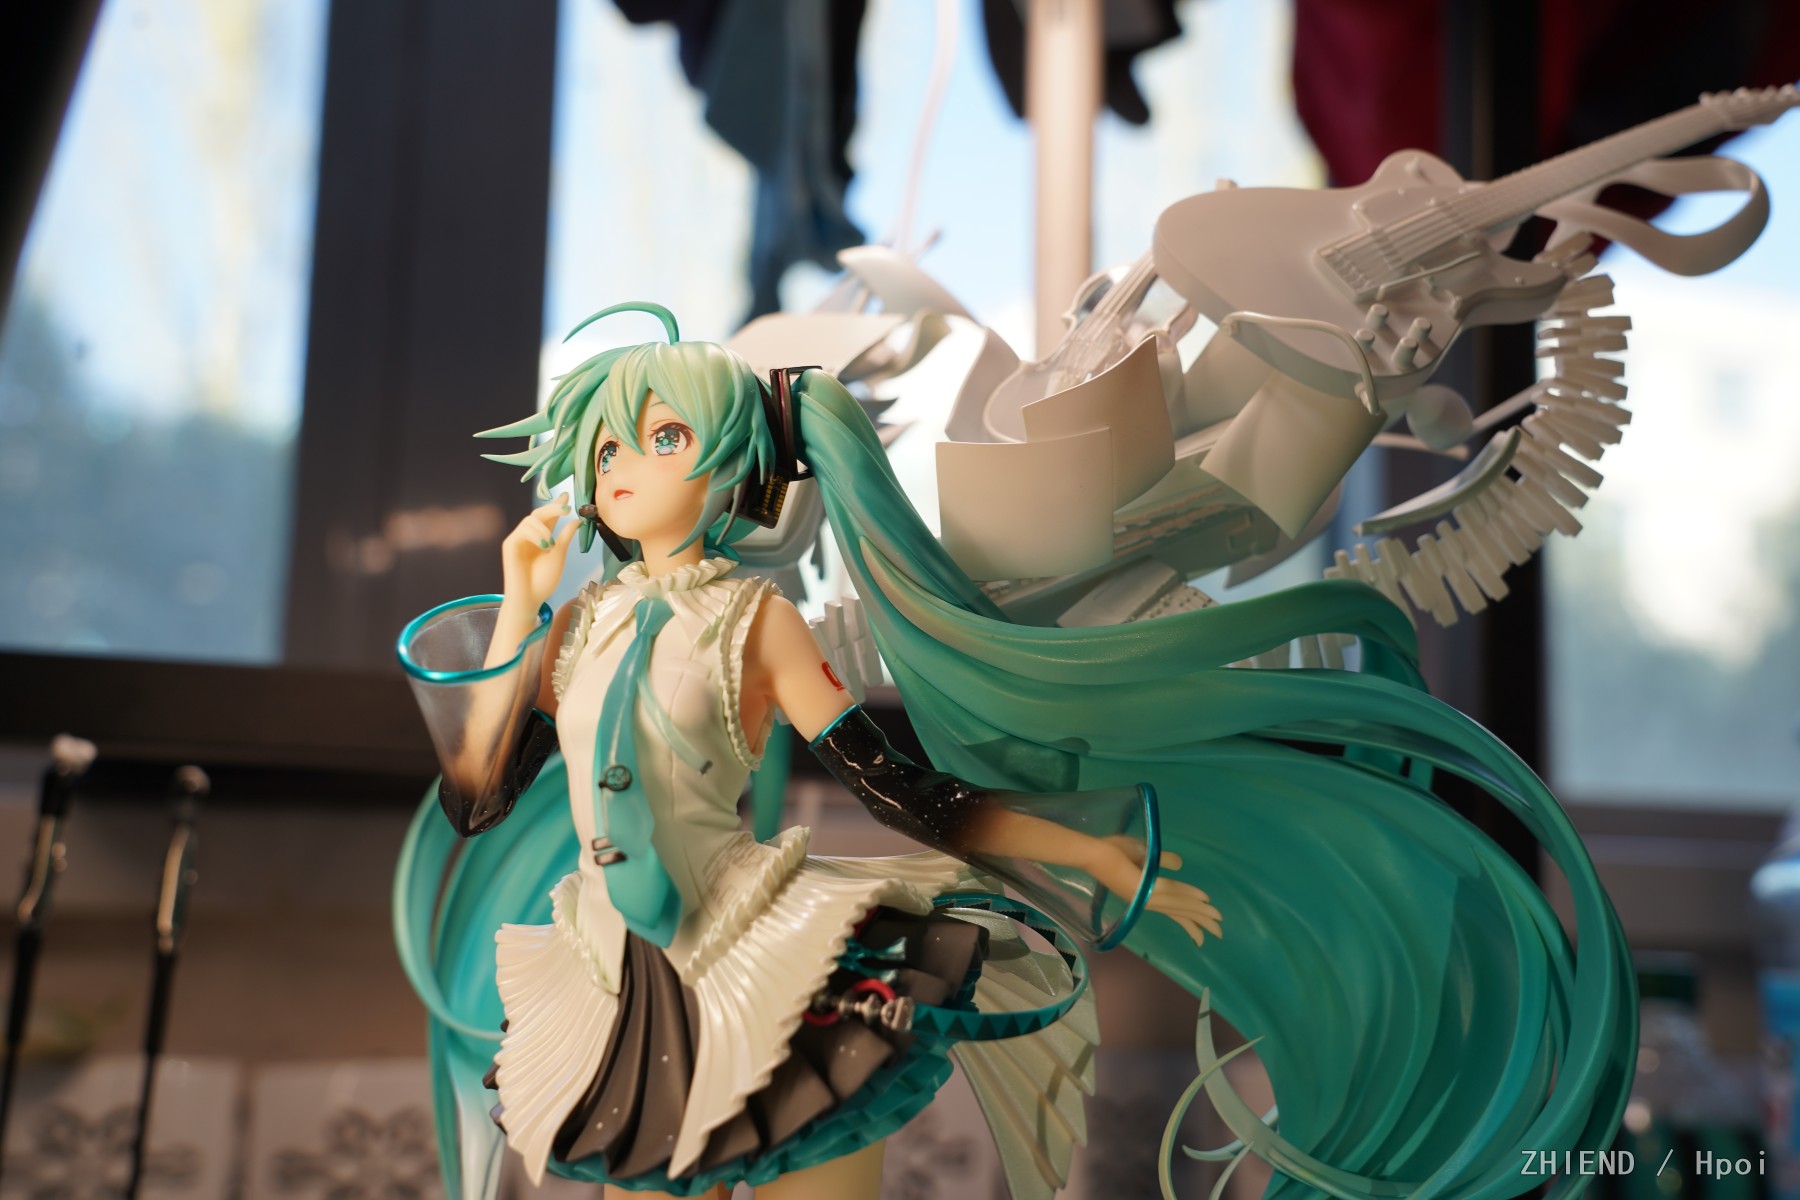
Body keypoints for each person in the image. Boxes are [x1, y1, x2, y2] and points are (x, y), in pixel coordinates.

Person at [395, 302, 1634, 1200]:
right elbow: (477, 799)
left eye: (661, 439)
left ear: (730, 470)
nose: (622, 470)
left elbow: (903, 790)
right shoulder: (577, 627)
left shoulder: (753, 622)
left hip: (762, 958)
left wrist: (1089, 852)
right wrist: (518, 608)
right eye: (608, 449)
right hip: (610, 975)